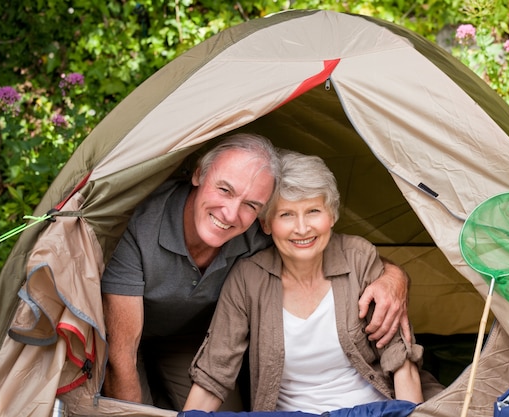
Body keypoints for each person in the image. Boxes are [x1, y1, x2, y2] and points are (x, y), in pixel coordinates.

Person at [101, 134, 411, 410]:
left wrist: (394, 278)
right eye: (224, 189)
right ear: (198, 174)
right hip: (128, 334)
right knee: (129, 399)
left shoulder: (262, 232)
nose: (231, 214)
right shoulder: (140, 227)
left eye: (251, 204)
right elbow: (121, 356)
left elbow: (336, 252)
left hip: (193, 337)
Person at [184, 151, 430, 413]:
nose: (302, 228)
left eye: (313, 211)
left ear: (332, 215)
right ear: (266, 224)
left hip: (372, 411)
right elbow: (214, 373)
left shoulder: (358, 257)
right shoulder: (248, 278)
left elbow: (400, 359)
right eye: (286, 215)